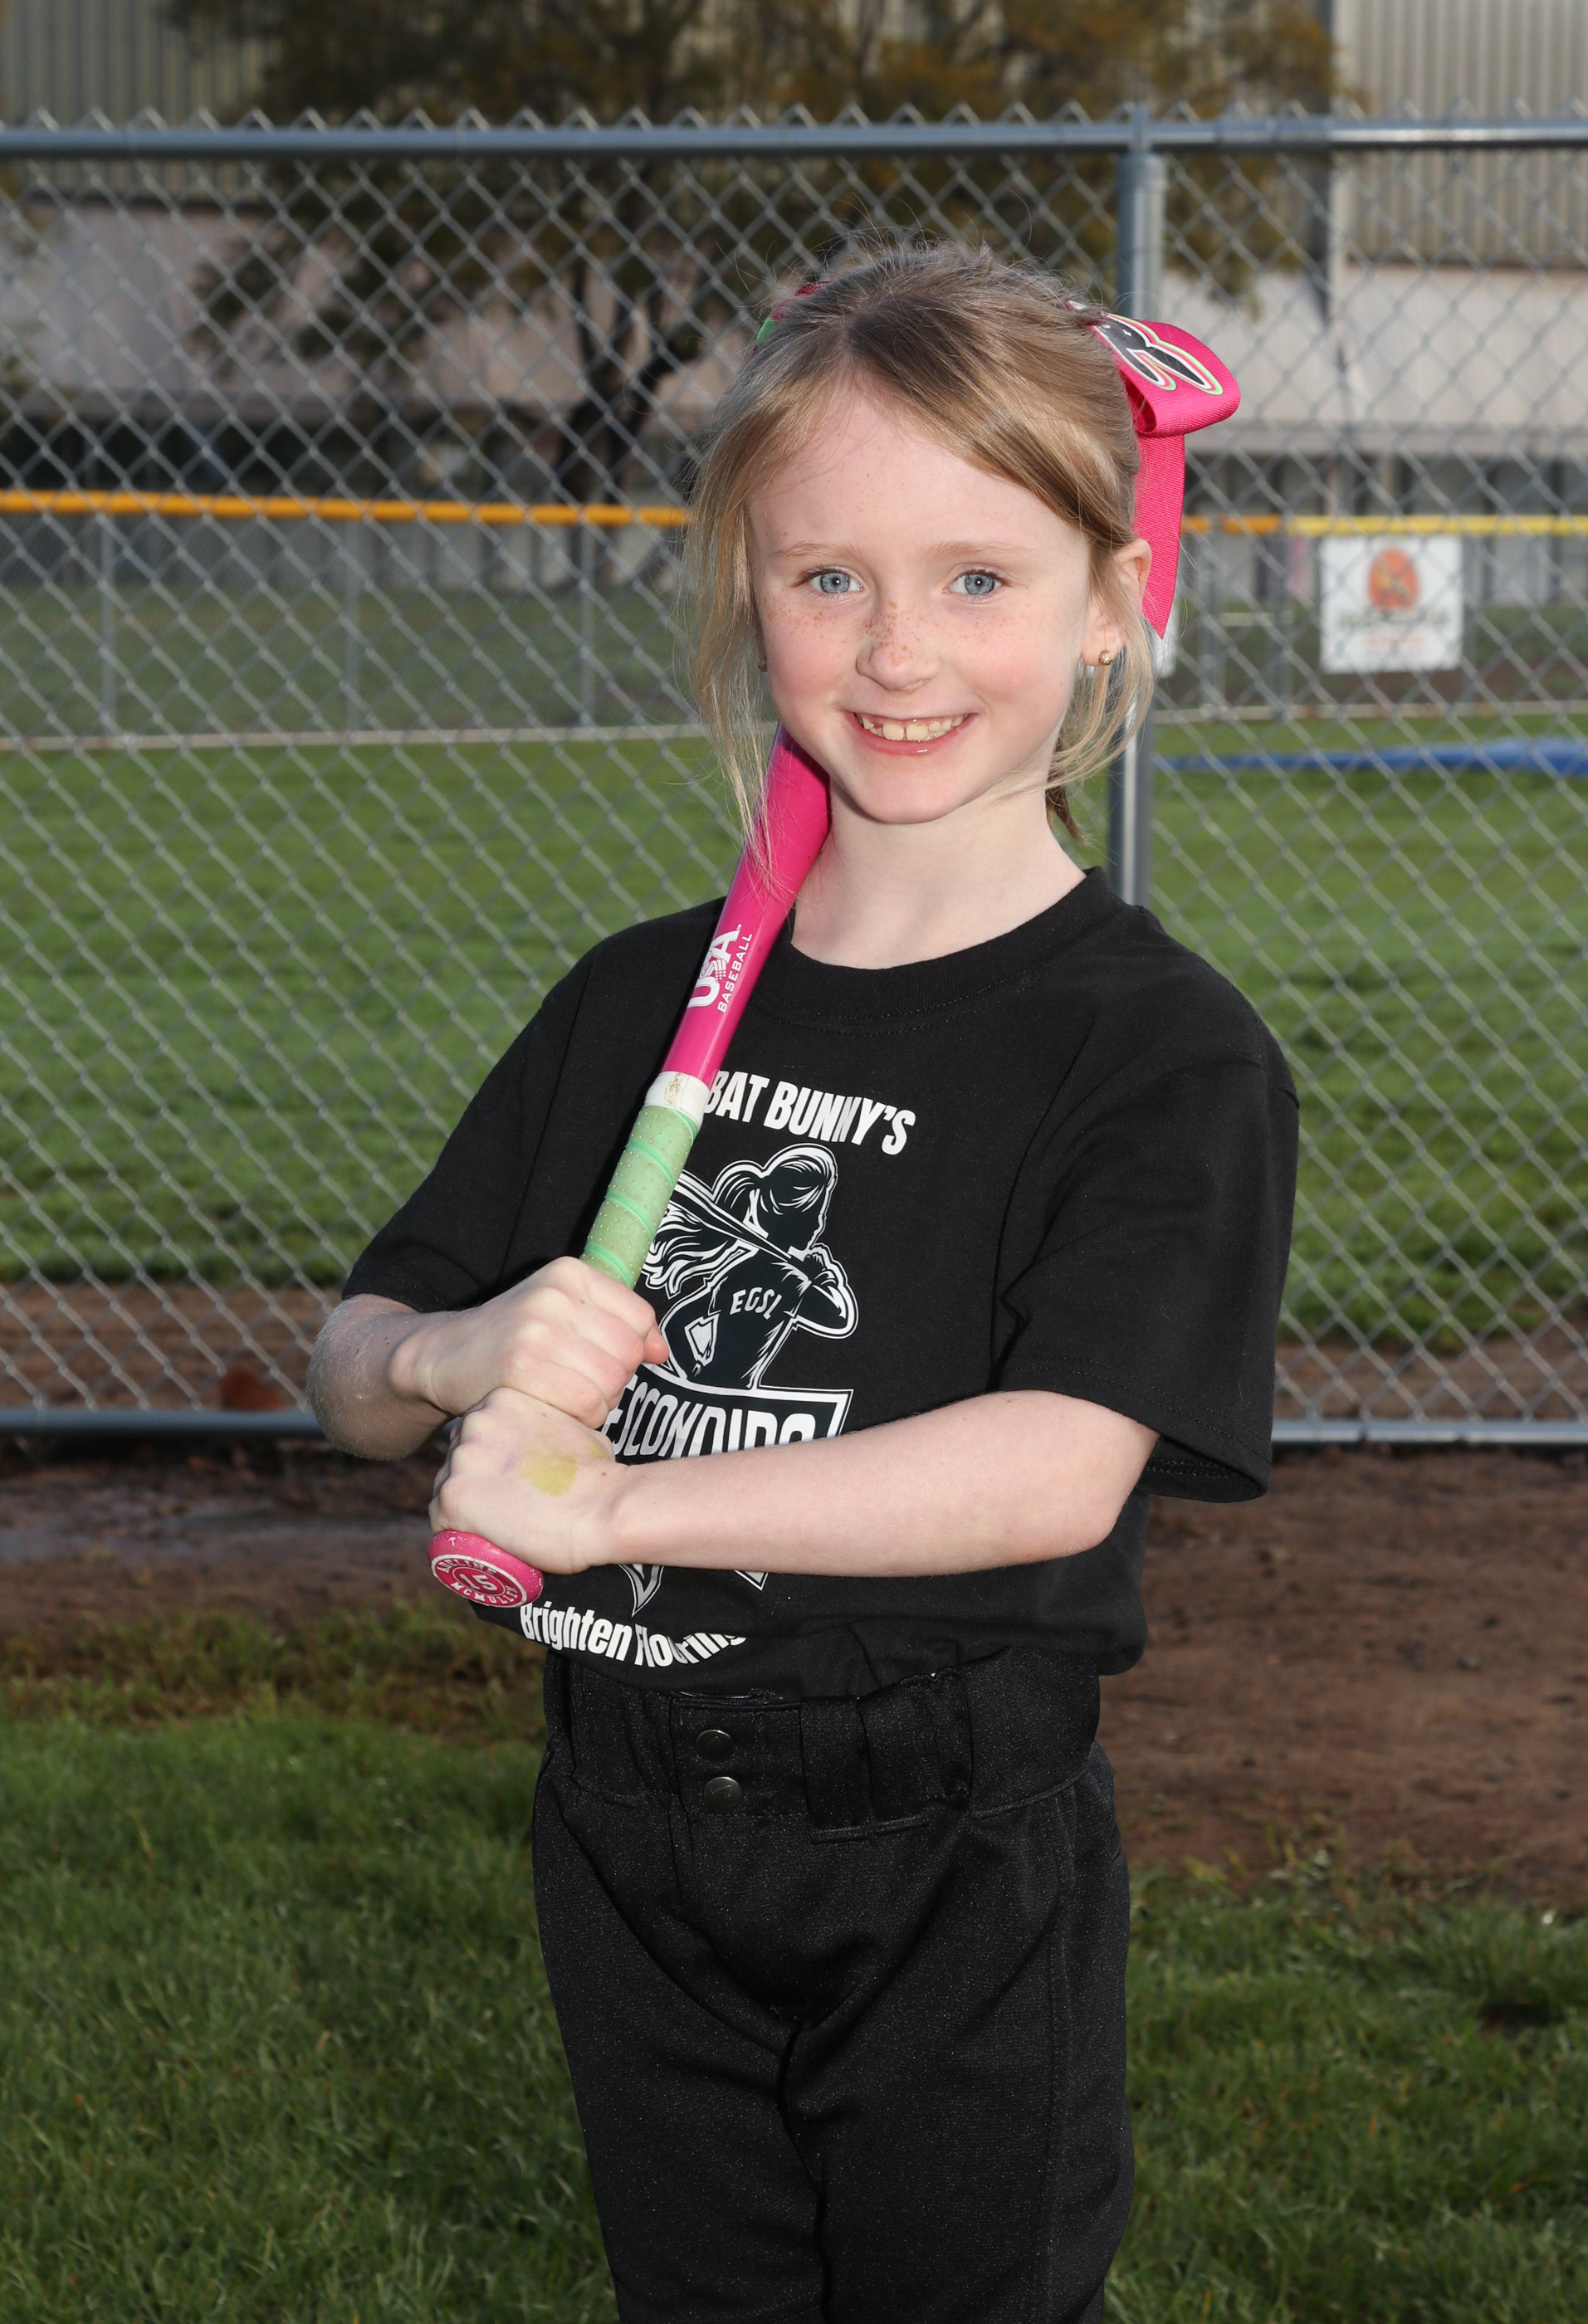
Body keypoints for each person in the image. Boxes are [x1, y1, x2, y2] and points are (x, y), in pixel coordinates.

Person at [309, 238, 1299, 2324]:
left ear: (1112, 600)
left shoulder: (1151, 1050)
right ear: (746, 588)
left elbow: (1051, 1467)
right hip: (627, 1806)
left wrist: (618, 1502)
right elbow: (355, 1366)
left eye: (978, 576)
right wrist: (461, 1347)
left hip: (945, 1837)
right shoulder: (633, 997)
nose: (896, 648)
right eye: (826, 574)